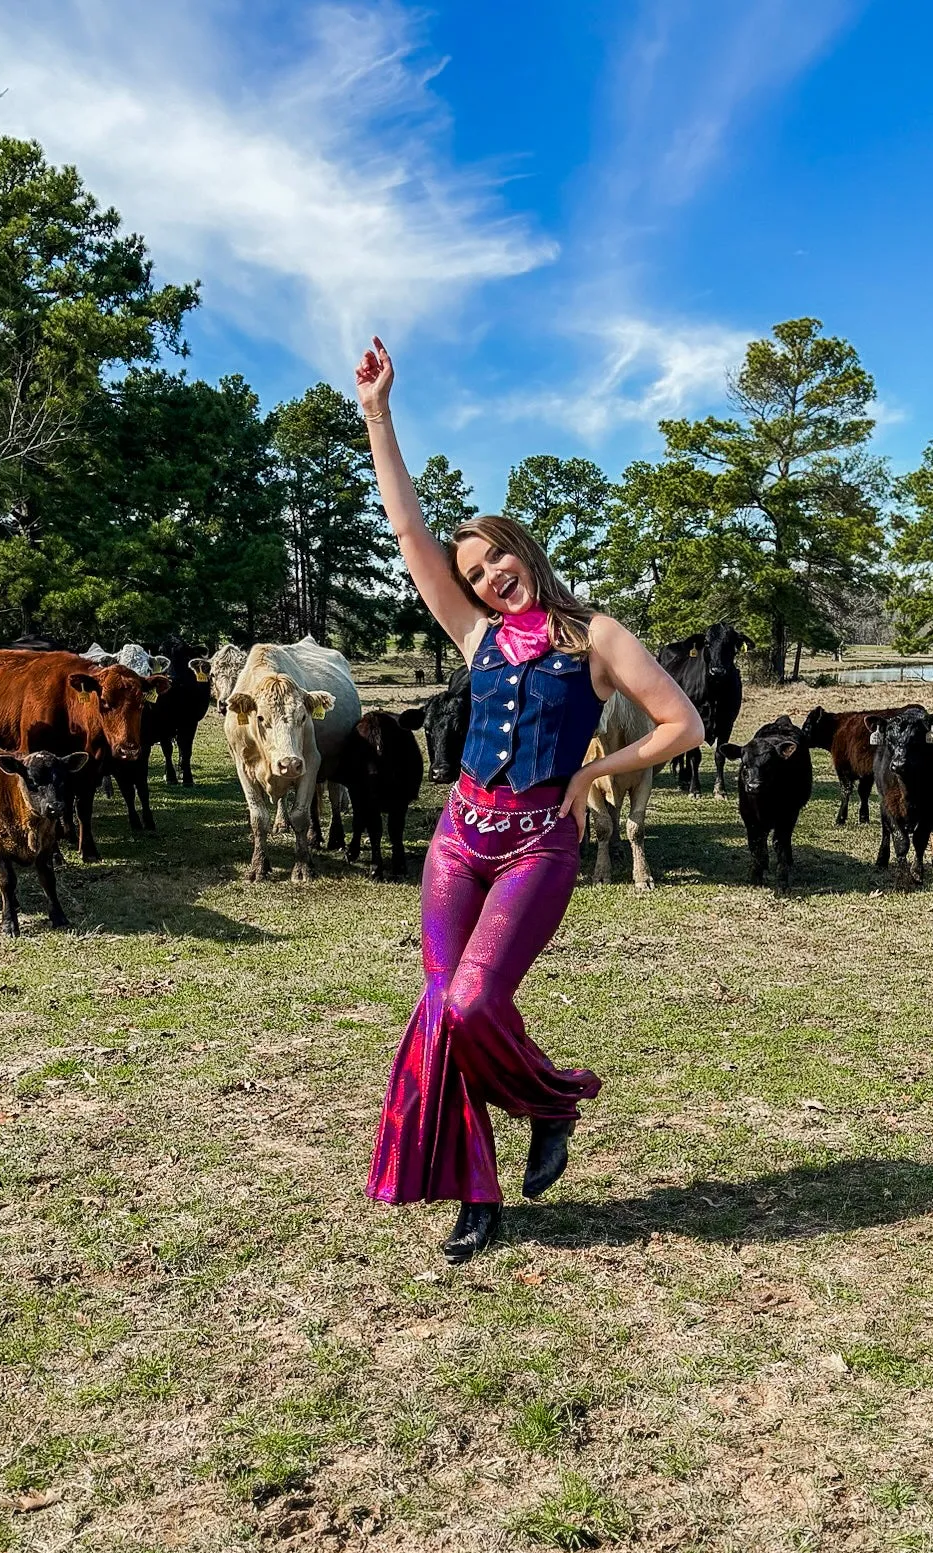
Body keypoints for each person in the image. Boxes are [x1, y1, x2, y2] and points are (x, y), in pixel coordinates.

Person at [356, 336, 703, 1265]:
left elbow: (684, 725)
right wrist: (379, 414)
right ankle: (477, 1195)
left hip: (537, 846)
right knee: (441, 1008)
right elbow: (406, 531)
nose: (483, 580)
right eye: (470, 574)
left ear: (522, 551)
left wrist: (589, 776)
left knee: (472, 1006)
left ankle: (552, 1104)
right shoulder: (473, 636)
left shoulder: (596, 634)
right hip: (458, 839)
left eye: (494, 562)